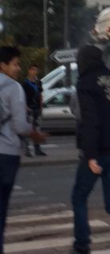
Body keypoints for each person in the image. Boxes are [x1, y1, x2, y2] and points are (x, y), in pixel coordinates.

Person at [70, 45, 110, 254]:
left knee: (79, 197)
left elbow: (90, 120)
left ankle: (82, 244)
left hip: (99, 150)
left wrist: (90, 155)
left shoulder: (86, 83)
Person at [0, 47, 34, 254]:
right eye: (15, 64)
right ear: (2, 65)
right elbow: (21, 126)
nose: (18, 69)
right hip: (7, 154)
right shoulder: (14, 88)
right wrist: (35, 133)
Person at [21, 64, 46, 157]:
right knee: (28, 129)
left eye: (36, 70)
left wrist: (41, 105)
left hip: (37, 108)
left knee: (37, 129)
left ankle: (37, 149)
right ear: (29, 71)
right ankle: (26, 149)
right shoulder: (25, 83)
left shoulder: (38, 82)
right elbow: (23, 96)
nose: (35, 72)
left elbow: (40, 94)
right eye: (33, 70)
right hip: (29, 108)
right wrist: (26, 107)